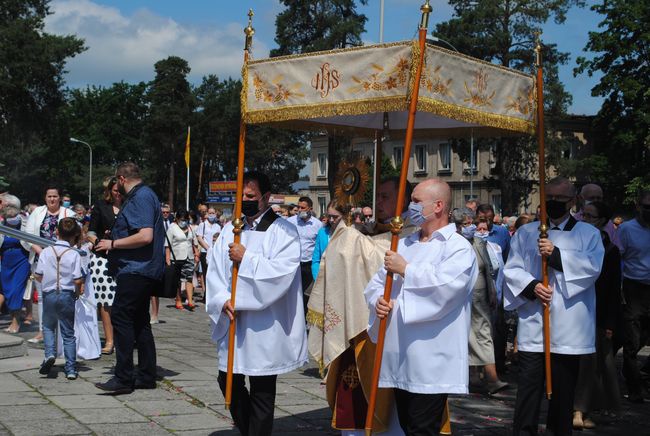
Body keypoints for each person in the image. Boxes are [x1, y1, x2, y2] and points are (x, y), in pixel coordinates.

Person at [365, 178, 477, 435]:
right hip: (400, 352)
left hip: (432, 358)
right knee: (407, 425)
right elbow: (376, 284)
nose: (410, 207)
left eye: (416, 202)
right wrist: (378, 302)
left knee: (422, 428)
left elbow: (446, 289)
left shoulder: (457, 248)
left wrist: (406, 269)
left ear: (438, 205)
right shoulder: (404, 243)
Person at [206, 171, 307, 435]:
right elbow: (215, 269)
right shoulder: (231, 228)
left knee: (262, 388)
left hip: (265, 324)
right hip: (234, 318)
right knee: (226, 378)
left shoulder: (284, 230)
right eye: (240, 196)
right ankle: (247, 428)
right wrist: (222, 299)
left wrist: (247, 258)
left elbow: (283, 274)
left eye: (250, 196)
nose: (244, 200)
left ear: (265, 197)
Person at [504, 177, 604, 436]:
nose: (553, 203)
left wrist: (556, 255)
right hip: (534, 323)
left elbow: (592, 268)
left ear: (572, 201)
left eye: (560, 200)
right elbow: (512, 270)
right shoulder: (526, 233)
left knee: (562, 396)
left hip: (569, 327)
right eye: (549, 198)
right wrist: (532, 286)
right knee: (527, 393)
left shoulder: (588, 234)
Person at [94, 162, 165, 395]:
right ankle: (145, 375)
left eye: (117, 183)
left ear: (122, 179)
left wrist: (113, 243)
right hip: (140, 268)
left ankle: (123, 377)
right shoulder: (145, 195)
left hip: (136, 269)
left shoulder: (140, 197)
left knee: (121, 317)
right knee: (140, 321)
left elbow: (145, 236)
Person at [573, 201, 622, 429]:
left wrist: (609, 321)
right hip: (573, 309)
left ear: (602, 221)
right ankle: (575, 408)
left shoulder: (610, 250)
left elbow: (613, 288)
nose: (585, 219)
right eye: (583, 215)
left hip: (596, 313)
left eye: (591, 216)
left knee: (591, 364)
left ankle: (582, 409)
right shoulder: (572, 241)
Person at [21, 186, 74, 343]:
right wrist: (42, 253)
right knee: (44, 297)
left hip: (62, 260)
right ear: (45, 197)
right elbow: (28, 236)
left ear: (59, 198)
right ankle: (43, 331)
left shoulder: (68, 214)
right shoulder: (37, 213)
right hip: (41, 258)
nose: (52, 199)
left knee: (63, 295)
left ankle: (62, 330)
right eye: (49, 196)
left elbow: (74, 238)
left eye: (55, 196)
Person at [34, 217, 84, 380]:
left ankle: (49, 354)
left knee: (48, 327)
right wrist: (79, 287)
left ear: (56, 232)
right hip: (67, 295)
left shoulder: (46, 252)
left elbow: (39, 275)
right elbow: (77, 279)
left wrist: (47, 279)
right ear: (74, 234)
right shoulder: (74, 254)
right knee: (68, 332)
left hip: (49, 294)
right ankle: (70, 368)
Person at [468, 218, 509, 394]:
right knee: (471, 334)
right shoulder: (456, 243)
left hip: (480, 297)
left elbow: (489, 269)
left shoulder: (480, 243)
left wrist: (492, 291)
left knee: (483, 333)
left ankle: (490, 377)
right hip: (465, 297)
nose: (473, 228)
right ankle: (475, 376)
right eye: (466, 224)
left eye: (472, 223)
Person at [619, 190, 650, 403]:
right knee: (632, 339)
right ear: (638, 206)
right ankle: (634, 385)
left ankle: (639, 374)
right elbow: (617, 258)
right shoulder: (627, 229)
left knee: (645, 337)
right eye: (647, 206)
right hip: (634, 288)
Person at [86, 177, 122, 354]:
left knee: (123, 300)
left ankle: (124, 337)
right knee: (106, 301)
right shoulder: (101, 206)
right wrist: (99, 241)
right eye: (115, 190)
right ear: (109, 191)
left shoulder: (130, 206)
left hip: (124, 257)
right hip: (102, 258)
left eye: (120, 190)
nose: (118, 194)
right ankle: (109, 340)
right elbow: (90, 232)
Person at [287, 196, 323, 310]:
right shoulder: (290, 222)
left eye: (303, 207)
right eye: (298, 207)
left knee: (306, 294)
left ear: (310, 209)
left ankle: (305, 319)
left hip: (308, 264)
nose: (299, 210)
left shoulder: (317, 225)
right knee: (293, 293)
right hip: (293, 263)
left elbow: (319, 245)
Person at [0, 204, 30, 333]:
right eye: (9, 216)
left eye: (14, 216)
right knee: (8, 292)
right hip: (6, 262)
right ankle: (12, 320)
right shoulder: (2, 228)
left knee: (16, 291)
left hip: (21, 261)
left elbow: (30, 241)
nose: (13, 218)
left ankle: (16, 322)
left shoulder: (24, 225)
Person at [165, 209, 199, 311]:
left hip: (189, 256)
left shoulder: (189, 227)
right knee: (178, 280)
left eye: (185, 219)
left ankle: (190, 300)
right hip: (176, 257)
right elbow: (167, 245)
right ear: (177, 218)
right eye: (181, 219)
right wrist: (167, 259)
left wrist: (196, 253)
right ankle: (178, 300)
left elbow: (194, 242)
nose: (183, 221)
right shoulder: (172, 228)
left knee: (189, 278)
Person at [575, 183, 621, 249]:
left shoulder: (609, 224)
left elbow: (618, 248)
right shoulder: (573, 221)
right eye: (591, 198)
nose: (595, 201)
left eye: (598, 198)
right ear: (581, 198)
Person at [311, 199, 347, 281]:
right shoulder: (322, 233)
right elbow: (316, 260)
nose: (331, 220)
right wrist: (318, 279)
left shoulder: (350, 233)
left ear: (344, 216)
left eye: (335, 217)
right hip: (324, 279)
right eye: (329, 216)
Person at [196, 207, 222, 300]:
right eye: (210, 213)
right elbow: (199, 238)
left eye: (213, 213)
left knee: (213, 274)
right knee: (206, 273)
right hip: (205, 252)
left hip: (215, 253)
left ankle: (212, 294)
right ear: (207, 214)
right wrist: (208, 248)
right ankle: (206, 295)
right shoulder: (202, 225)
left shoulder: (218, 226)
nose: (211, 215)